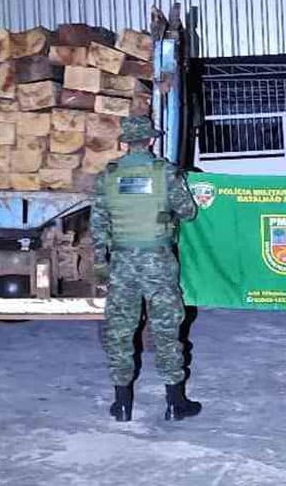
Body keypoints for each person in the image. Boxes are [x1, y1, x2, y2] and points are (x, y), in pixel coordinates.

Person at [90, 116, 201, 422]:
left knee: (120, 332)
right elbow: (189, 213)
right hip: (158, 262)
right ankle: (175, 403)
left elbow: (98, 227)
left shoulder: (106, 176)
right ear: (150, 141)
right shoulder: (165, 173)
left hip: (122, 264)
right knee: (166, 330)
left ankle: (122, 405)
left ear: (124, 142)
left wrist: (100, 266)